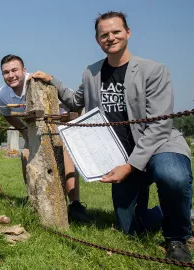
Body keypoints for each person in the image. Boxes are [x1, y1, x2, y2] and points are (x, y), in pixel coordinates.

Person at [32, 11, 192, 261]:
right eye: (104, 34)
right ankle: (167, 212)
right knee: (129, 228)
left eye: (116, 31)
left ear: (128, 32)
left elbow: (160, 125)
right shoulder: (91, 72)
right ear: (97, 40)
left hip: (160, 147)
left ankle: (177, 237)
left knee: (172, 176)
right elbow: (76, 102)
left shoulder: (154, 70)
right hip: (121, 155)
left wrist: (131, 166)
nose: (111, 37)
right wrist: (52, 81)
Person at [0, 54, 89, 222]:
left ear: (24, 70)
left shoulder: (39, 81)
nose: (11, 75)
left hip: (62, 121)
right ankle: (34, 197)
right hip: (35, 127)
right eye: (6, 72)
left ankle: (75, 204)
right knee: (26, 155)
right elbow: (7, 114)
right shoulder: (3, 94)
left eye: (15, 70)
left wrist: (68, 131)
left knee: (66, 157)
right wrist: (24, 131)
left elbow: (72, 103)